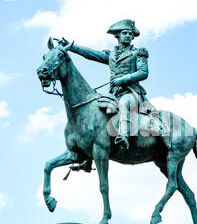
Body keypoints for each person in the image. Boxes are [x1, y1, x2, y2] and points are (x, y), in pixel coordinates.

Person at [58, 19, 149, 149]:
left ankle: (123, 136)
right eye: (125, 33)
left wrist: (123, 79)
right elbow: (91, 54)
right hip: (114, 94)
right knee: (94, 112)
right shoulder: (111, 55)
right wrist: (72, 47)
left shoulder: (138, 53)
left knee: (123, 104)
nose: (128, 35)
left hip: (131, 93)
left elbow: (143, 72)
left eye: (130, 33)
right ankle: (87, 151)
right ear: (117, 36)